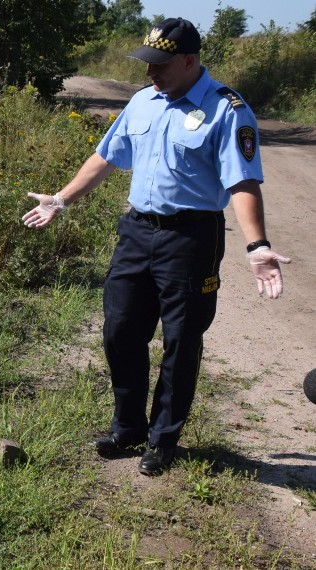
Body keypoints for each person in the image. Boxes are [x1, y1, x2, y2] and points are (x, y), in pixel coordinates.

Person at [21, 17, 291, 476]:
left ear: (189, 61)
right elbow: (107, 156)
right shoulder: (143, 103)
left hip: (191, 238)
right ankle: (127, 427)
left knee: (181, 342)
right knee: (120, 330)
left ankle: (163, 441)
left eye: (161, 65)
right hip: (136, 231)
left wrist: (256, 244)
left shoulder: (226, 109)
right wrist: (61, 199)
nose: (151, 73)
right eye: (147, 64)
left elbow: (243, 179)